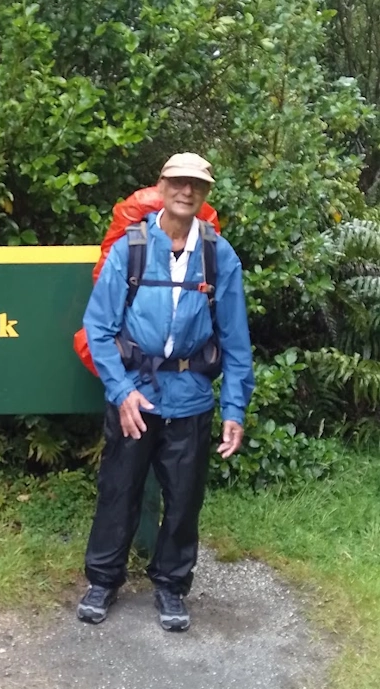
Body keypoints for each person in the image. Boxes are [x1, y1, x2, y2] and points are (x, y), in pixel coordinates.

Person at [77, 153, 255, 632]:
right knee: (118, 490)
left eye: (196, 184)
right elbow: (98, 328)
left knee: (184, 499)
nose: (186, 191)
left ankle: (172, 586)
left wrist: (234, 409)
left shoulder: (219, 256)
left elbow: (236, 341)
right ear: (161, 186)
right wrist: (121, 391)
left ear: (206, 193)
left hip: (191, 396)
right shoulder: (131, 249)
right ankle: (103, 580)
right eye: (178, 182)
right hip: (134, 395)